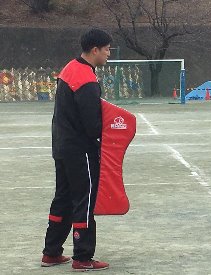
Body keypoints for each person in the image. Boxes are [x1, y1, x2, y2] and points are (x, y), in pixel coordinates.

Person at [41, 28, 112, 271]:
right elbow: (92, 124)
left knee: (63, 199)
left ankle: (51, 252)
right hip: (80, 150)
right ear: (95, 50)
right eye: (106, 49)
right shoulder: (86, 78)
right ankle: (83, 257)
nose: (108, 54)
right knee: (85, 201)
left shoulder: (69, 68)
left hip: (61, 147)